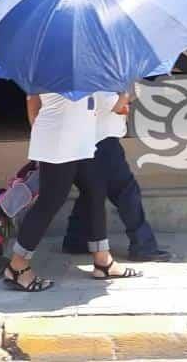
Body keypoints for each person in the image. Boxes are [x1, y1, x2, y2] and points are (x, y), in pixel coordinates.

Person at [4, 93, 142, 292]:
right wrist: (124, 95)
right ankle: (17, 267)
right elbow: (111, 105)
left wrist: (43, 130)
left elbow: (33, 103)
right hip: (62, 141)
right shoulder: (74, 67)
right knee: (50, 202)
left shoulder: (53, 66)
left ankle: (103, 261)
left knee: (95, 191)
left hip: (79, 138)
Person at [61, 92, 171, 261]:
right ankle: (143, 245)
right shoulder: (100, 77)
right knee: (126, 191)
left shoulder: (77, 77)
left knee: (91, 191)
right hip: (103, 141)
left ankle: (76, 240)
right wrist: (128, 92)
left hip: (81, 141)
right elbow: (117, 106)